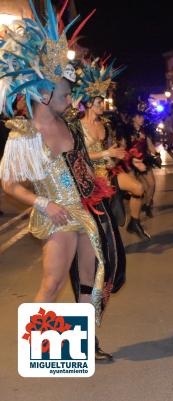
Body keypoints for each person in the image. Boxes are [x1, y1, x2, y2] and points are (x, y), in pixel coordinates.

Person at [0, 3, 124, 360]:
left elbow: (83, 166)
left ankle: (85, 345)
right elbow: (9, 186)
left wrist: (99, 187)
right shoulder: (24, 134)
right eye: (66, 93)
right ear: (43, 94)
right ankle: (38, 351)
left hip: (85, 212)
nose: (71, 99)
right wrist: (44, 204)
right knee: (52, 283)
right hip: (56, 217)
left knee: (90, 281)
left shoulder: (71, 125)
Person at [74, 59, 150, 240]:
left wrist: (131, 159)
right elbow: (77, 156)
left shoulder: (106, 124)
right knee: (101, 219)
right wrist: (105, 154)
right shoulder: (77, 126)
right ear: (89, 103)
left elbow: (115, 150)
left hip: (108, 171)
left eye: (102, 102)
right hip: (88, 175)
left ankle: (135, 222)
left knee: (138, 187)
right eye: (99, 103)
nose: (103, 106)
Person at [122, 107, 160, 218]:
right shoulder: (127, 132)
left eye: (142, 116)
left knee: (152, 184)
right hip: (131, 162)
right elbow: (124, 147)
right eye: (140, 116)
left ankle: (147, 205)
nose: (142, 118)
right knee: (135, 189)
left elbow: (150, 146)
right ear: (134, 119)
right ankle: (134, 215)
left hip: (144, 160)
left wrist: (157, 155)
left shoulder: (145, 131)